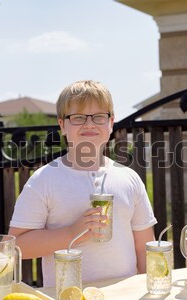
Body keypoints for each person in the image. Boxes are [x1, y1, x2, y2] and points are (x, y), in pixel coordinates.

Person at [8, 80, 157, 287]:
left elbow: (144, 247)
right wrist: (71, 233)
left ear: (111, 123)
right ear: (62, 125)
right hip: (68, 299)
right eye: (78, 117)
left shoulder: (129, 178)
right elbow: (16, 247)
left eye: (98, 117)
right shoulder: (44, 180)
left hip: (124, 298)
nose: (89, 124)